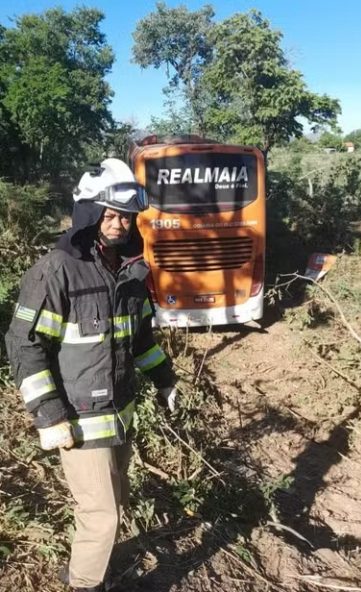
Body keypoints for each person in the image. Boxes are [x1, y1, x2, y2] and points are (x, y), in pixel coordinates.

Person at [4, 158, 177, 592]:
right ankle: (84, 584)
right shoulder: (56, 270)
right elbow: (24, 345)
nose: (119, 224)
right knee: (102, 512)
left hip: (119, 415)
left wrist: (165, 379)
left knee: (113, 503)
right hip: (78, 421)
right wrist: (49, 414)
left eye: (126, 216)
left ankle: (84, 566)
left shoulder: (131, 272)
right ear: (88, 212)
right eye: (110, 214)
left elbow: (139, 340)